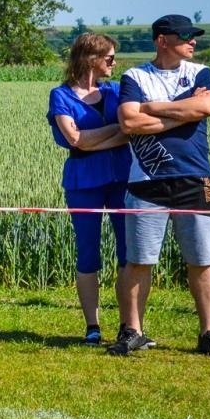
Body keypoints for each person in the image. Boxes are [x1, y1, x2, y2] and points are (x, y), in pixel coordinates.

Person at [110, 14, 210, 358]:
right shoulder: (134, 76)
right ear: (162, 40)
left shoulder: (200, 72)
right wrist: (182, 112)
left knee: (203, 258)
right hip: (146, 181)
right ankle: (133, 330)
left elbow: (207, 106)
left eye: (194, 36)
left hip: (195, 177)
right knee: (139, 260)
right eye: (186, 36)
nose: (194, 41)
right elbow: (130, 120)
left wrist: (154, 109)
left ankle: (209, 333)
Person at [47, 32, 132, 344]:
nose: (114, 63)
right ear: (91, 59)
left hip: (121, 178)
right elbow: (73, 140)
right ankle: (92, 326)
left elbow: (130, 131)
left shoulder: (115, 92)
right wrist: (116, 131)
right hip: (83, 181)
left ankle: (128, 325)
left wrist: (90, 139)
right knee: (88, 253)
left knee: (128, 252)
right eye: (109, 58)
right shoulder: (60, 96)